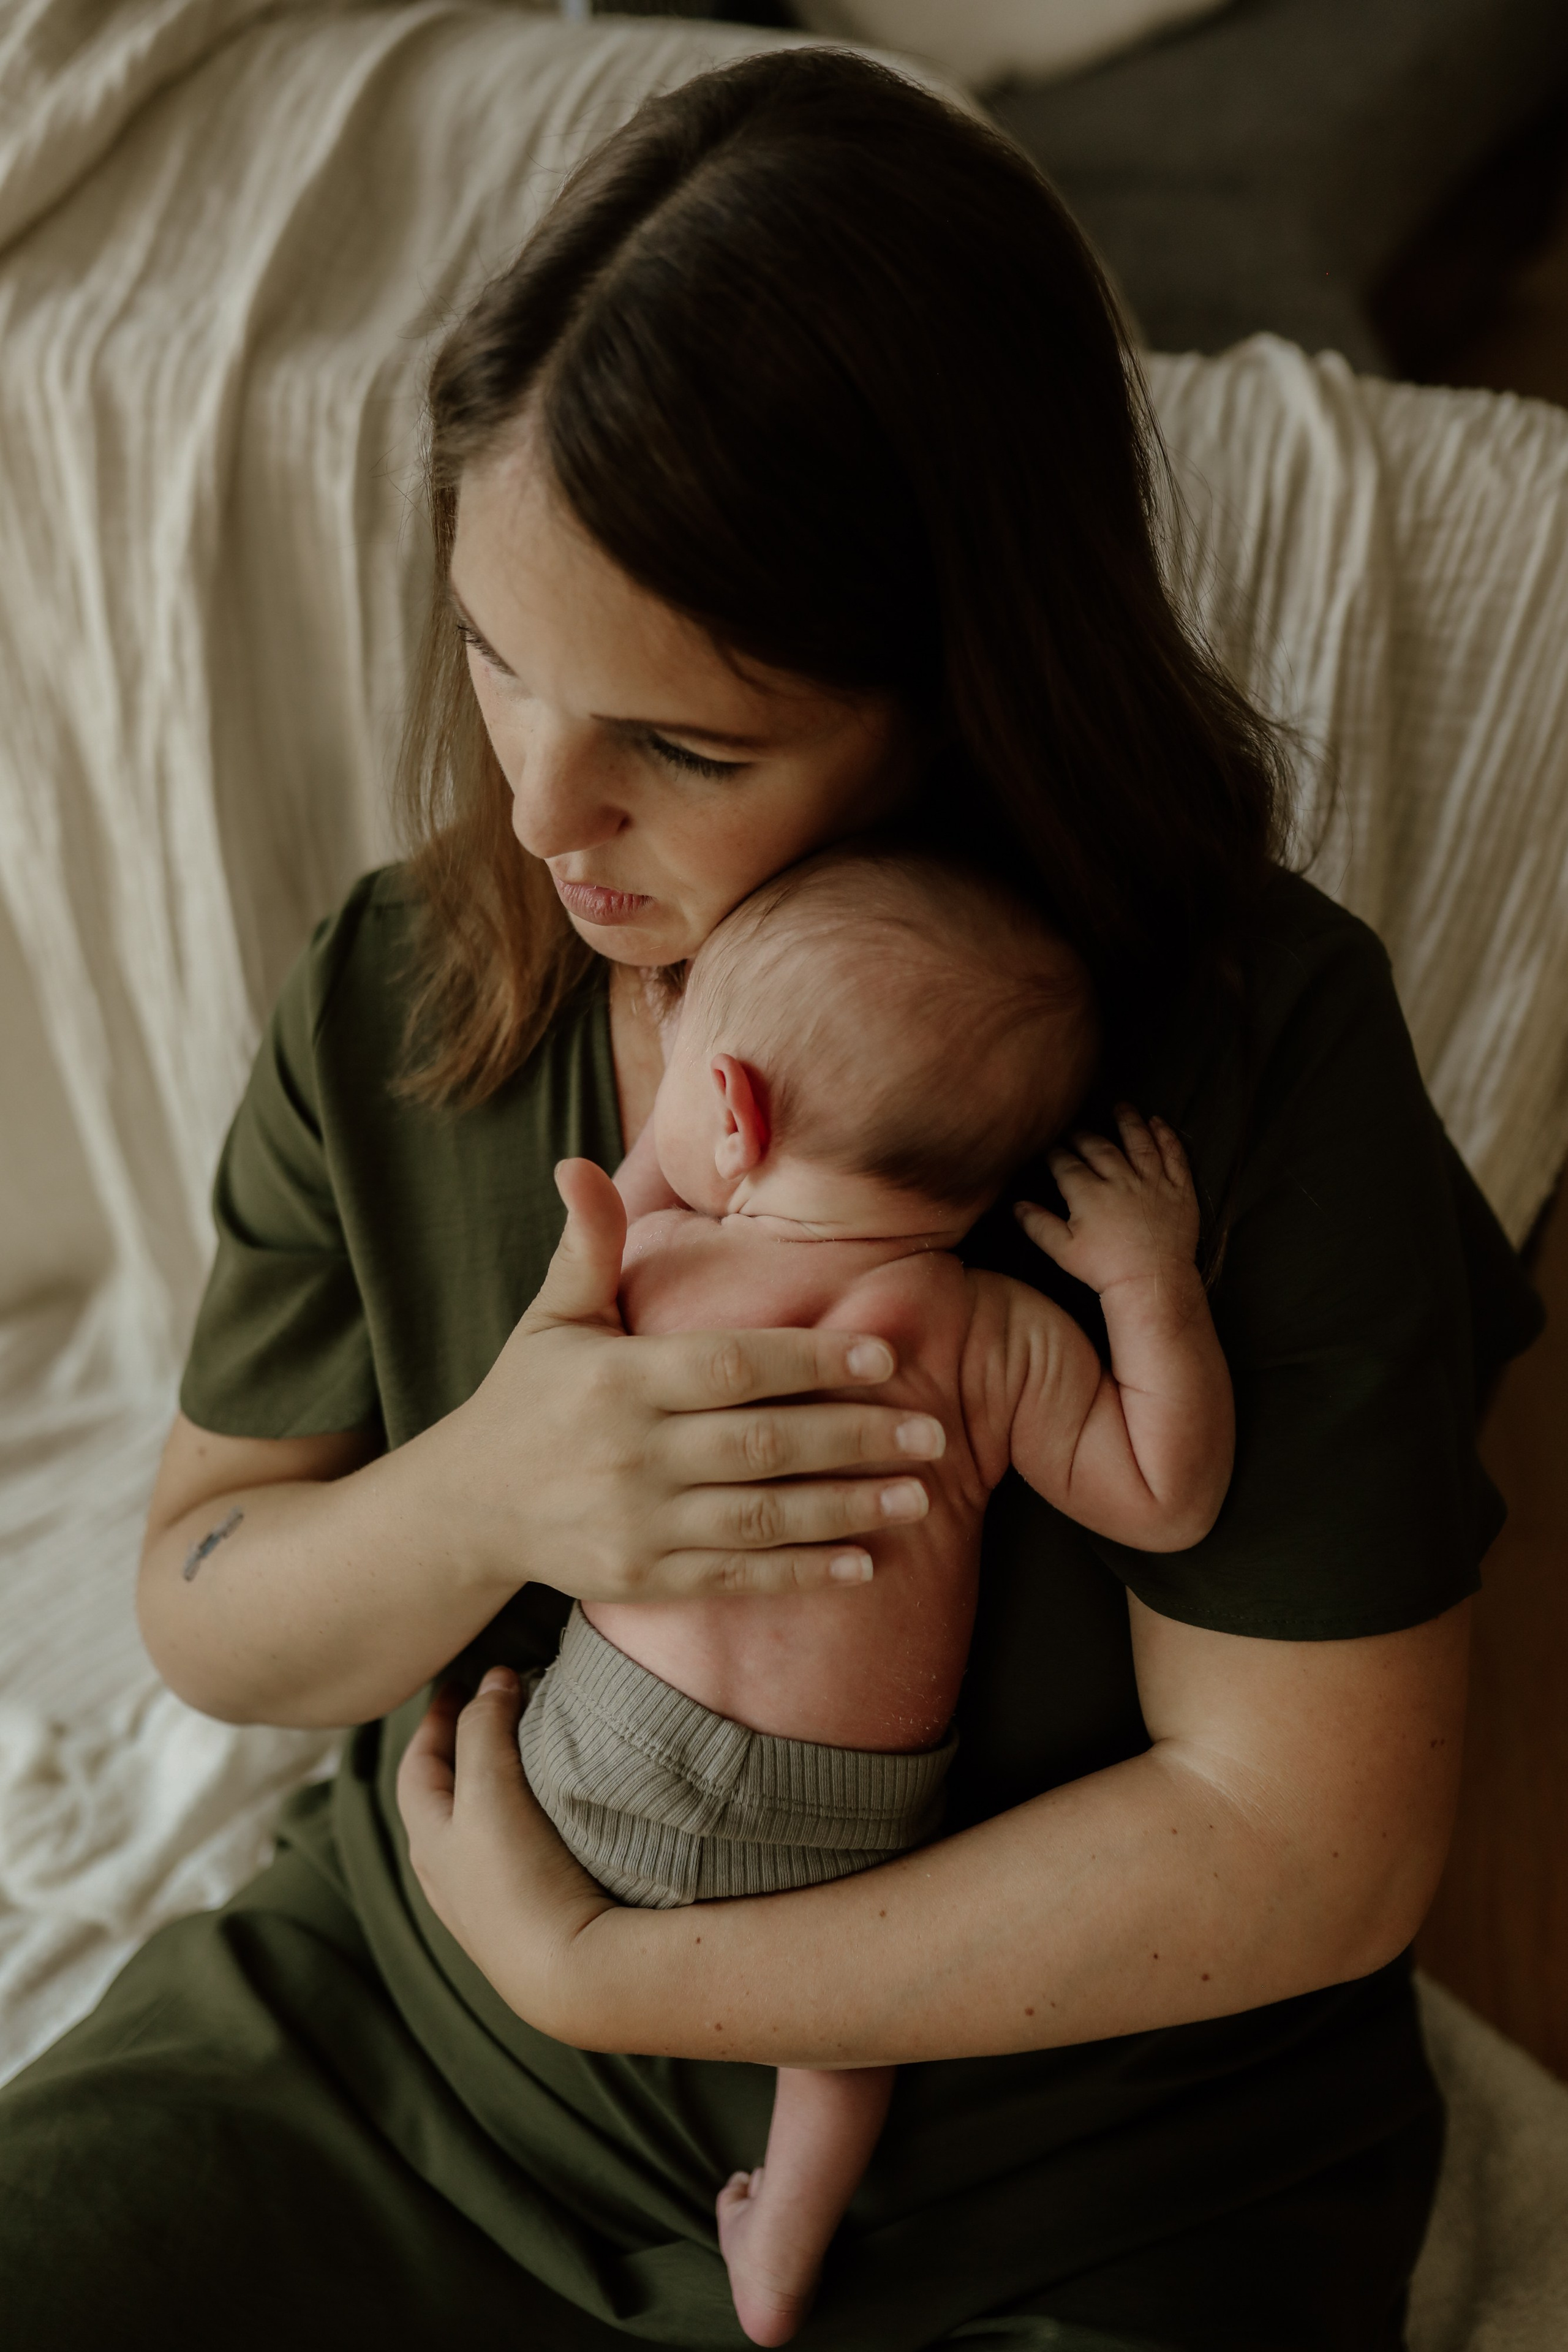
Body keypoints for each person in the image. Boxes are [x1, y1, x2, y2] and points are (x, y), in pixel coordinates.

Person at [0, 46, 1540, 2352]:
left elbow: (1305, 1849)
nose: (540, 813)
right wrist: (493, 1499)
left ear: (959, 693)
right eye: (499, 666)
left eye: (684, 750)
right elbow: (215, 1598)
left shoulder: (1235, 1064)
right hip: (417, 2066)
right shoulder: (416, 987)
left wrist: (625, 1970)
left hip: (1063, 2190)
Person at [500, 843, 1233, 2343]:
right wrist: (1148, 1276)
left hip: (590, 1755)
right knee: (844, 2031)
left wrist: (667, 1077)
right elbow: (1169, 1497)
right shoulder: (995, 1337)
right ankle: (779, 2253)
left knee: (474, 1719)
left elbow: (611, 1210)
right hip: (841, 1829)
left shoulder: (655, 1263)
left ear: (727, 1110)